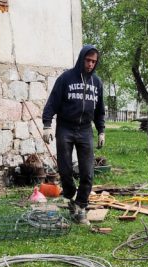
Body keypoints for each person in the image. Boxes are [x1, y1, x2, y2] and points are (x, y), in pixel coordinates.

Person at [42, 45, 106, 225]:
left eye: (94, 61)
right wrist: (47, 125)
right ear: (81, 59)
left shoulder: (97, 83)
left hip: (85, 130)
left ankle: (81, 206)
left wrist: (101, 130)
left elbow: (100, 110)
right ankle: (70, 196)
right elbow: (52, 102)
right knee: (65, 169)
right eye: (88, 60)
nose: (90, 64)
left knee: (87, 172)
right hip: (65, 128)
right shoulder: (66, 78)